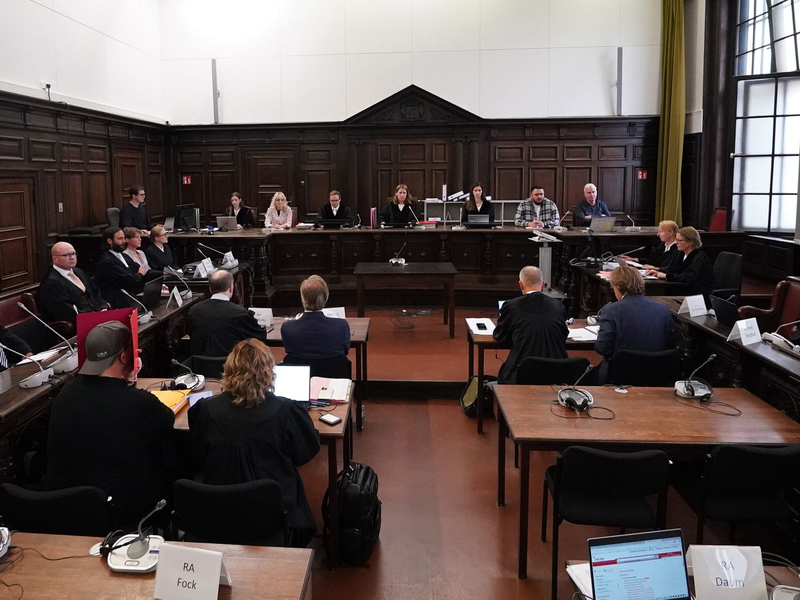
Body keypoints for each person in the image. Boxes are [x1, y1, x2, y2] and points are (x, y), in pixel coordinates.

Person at [188, 339, 320, 546]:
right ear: (268, 372)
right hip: (271, 508)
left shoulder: (206, 410)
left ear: (229, 369)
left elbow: (198, 453)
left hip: (219, 507)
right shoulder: (285, 411)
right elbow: (305, 453)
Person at [46, 321, 175, 527]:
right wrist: (131, 380)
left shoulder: (65, 393)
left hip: (65, 506)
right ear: (125, 356)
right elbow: (166, 421)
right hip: (118, 510)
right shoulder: (138, 402)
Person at [594, 266, 674, 384]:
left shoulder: (611, 310)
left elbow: (603, 348)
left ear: (618, 287)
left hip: (619, 377)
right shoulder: (663, 309)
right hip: (656, 375)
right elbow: (669, 344)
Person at [493, 266, 569, 384]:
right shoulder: (558, 306)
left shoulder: (511, 306)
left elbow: (500, 336)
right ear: (543, 285)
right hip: (557, 373)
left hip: (522, 372)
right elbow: (563, 335)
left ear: (521, 285)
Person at [185, 270, 266, 357]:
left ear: (210, 289)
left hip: (198, 367)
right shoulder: (240, 313)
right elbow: (260, 337)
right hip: (230, 368)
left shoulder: (193, 311)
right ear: (231, 287)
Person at [39, 242, 109, 326]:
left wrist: (103, 307)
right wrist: (93, 318)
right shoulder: (52, 283)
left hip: (97, 317)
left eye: (74, 254)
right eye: (67, 255)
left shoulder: (79, 272)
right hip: (81, 323)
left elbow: (94, 292)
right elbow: (65, 311)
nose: (72, 257)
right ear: (55, 259)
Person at [281, 275, 350, 360]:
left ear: (302, 298)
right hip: (333, 372)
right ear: (326, 297)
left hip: (301, 373)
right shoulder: (341, 326)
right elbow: (345, 349)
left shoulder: (287, 328)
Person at [646, 226, 715, 297]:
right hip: (682, 288)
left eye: (680, 240)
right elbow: (671, 268)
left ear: (691, 242)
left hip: (696, 293)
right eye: (676, 240)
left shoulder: (700, 257)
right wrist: (657, 271)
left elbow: (688, 277)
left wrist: (666, 276)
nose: (676, 243)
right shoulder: (681, 254)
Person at [94, 227, 153, 309]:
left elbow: (143, 271)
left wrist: (163, 274)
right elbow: (130, 281)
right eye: (120, 239)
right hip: (118, 300)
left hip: (131, 295)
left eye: (124, 238)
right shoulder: (107, 262)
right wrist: (140, 274)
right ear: (109, 241)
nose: (124, 241)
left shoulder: (124, 256)